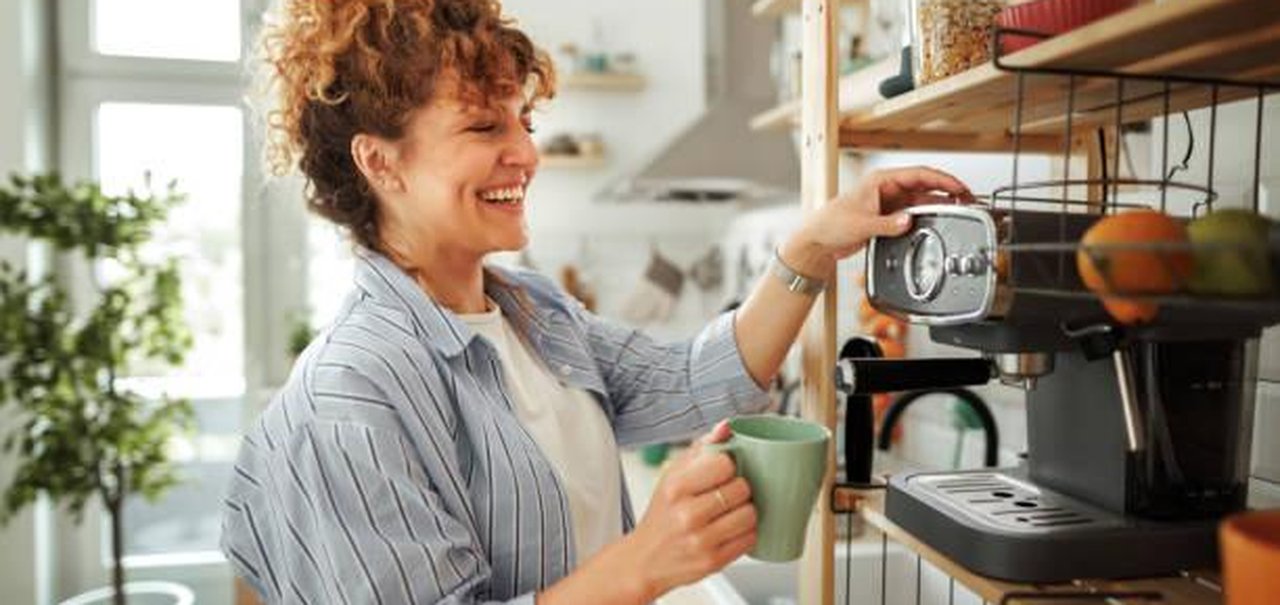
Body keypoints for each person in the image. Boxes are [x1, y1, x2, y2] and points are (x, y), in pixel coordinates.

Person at [220, 1, 972, 604]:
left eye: (525, 120)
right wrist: (644, 563)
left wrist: (814, 245)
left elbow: (692, 382)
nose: (526, 152)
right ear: (380, 160)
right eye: (484, 125)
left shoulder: (533, 312)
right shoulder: (351, 394)